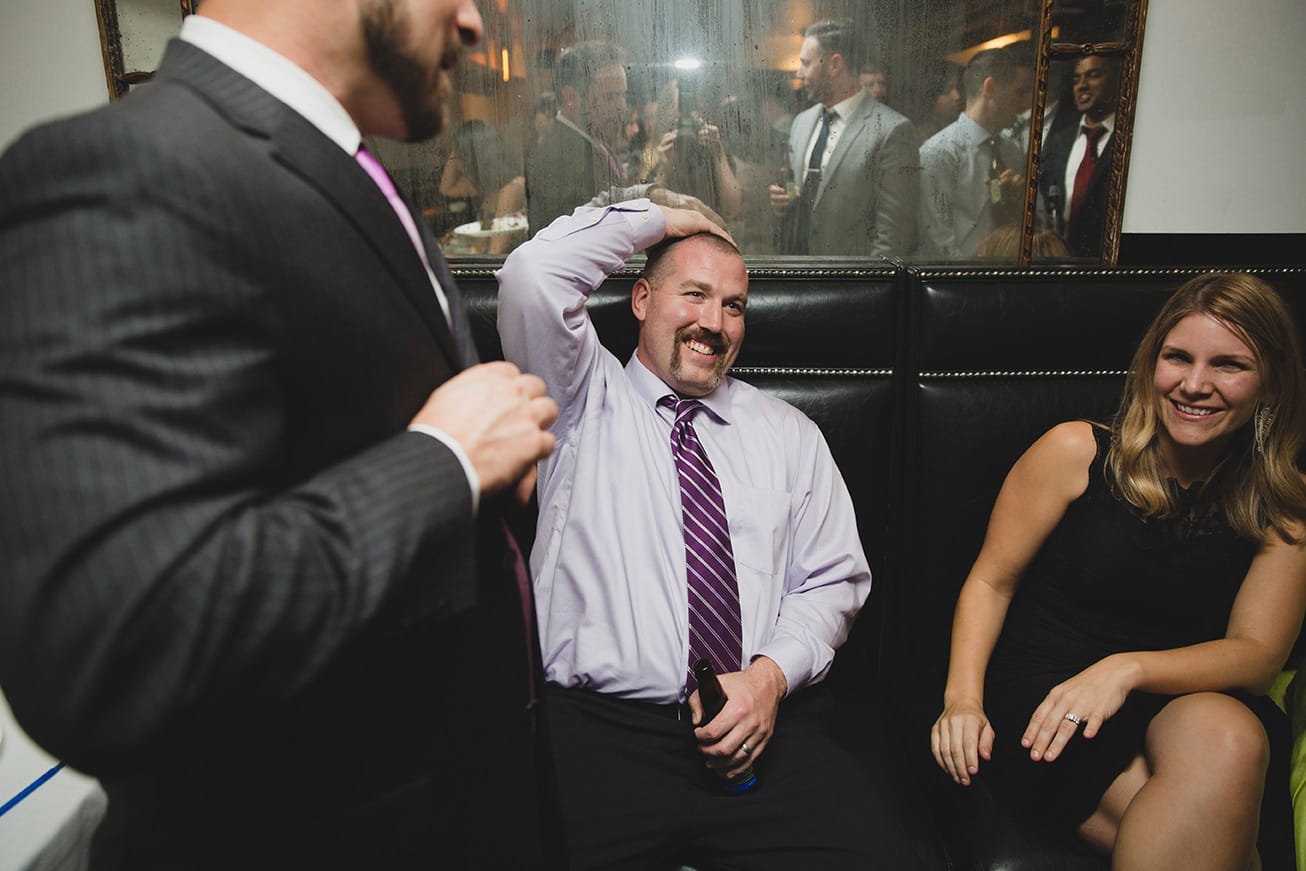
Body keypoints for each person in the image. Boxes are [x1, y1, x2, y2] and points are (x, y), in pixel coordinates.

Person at [0, 1, 562, 869]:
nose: (472, 23)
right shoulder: (126, 168)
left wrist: (486, 486)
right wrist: (444, 466)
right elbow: (111, 646)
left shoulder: (340, 164)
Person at [496, 197, 920, 869]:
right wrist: (659, 217)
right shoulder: (578, 394)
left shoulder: (788, 434)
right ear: (641, 298)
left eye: (733, 305)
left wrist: (769, 679)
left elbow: (834, 580)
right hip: (599, 735)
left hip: (761, 729)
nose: (713, 323)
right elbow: (532, 274)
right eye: (693, 294)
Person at [932, 272, 1306, 869]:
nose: (1193, 384)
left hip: (1185, 694)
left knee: (1229, 733)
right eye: (1177, 357)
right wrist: (962, 701)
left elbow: (1258, 656)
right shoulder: (1075, 452)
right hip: (1054, 697)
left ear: (1271, 384)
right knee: (1217, 841)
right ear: (1150, 364)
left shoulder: (1285, 504)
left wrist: (1126, 670)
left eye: (1229, 365)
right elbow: (989, 582)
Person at [768, 18, 919, 258]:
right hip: (798, 274)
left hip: (853, 285)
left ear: (835, 65)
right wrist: (785, 204)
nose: (799, 72)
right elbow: (808, 201)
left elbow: (893, 236)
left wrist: (868, 290)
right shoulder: (801, 123)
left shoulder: (892, 131)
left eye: (806, 63)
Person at [917, 47, 1033, 258]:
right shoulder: (938, 153)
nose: (1026, 104)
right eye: (1019, 92)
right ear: (990, 87)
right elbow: (938, 243)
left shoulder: (1013, 152)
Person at [525, 40, 630, 235]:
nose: (622, 107)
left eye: (623, 95)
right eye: (609, 97)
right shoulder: (556, 158)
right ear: (571, 97)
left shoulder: (593, 139)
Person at [1038, 54, 1121, 257]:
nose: (1081, 86)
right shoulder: (1058, 141)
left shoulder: (1125, 138)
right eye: (1076, 79)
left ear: (1116, 79)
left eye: (1093, 75)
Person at [439, 118, 527, 253]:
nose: (459, 166)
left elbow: (496, 250)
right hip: (485, 257)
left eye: (461, 158)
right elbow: (446, 188)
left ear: (476, 158)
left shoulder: (511, 188)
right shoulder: (484, 184)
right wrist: (457, 148)